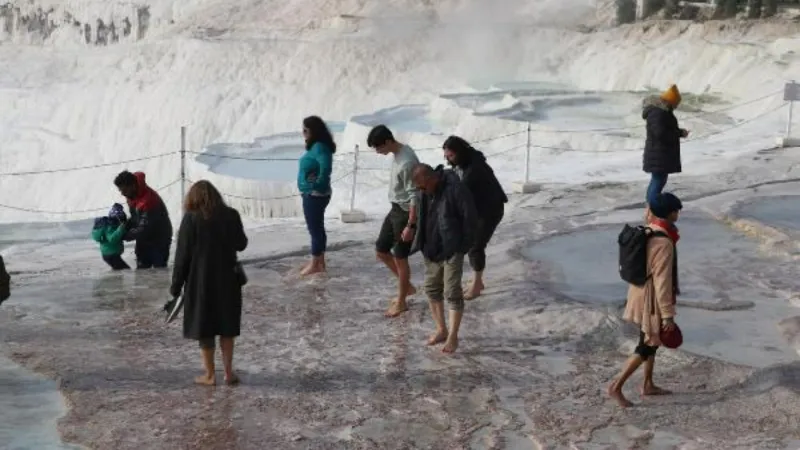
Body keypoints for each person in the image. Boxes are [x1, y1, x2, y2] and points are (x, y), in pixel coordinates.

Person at [608, 192, 683, 408]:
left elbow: (649, 209)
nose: (678, 214)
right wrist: (667, 315)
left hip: (638, 291)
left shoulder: (649, 229)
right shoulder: (664, 243)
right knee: (647, 346)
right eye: (676, 210)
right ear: (671, 213)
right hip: (652, 299)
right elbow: (662, 281)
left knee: (651, 339)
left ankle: (648, 384)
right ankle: (616, 386)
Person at [170, 180, 248, 386]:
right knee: (227, 326)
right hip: (229, 280)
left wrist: (176, 286)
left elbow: (182, 256)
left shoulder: (191, 219)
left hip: (200, 281)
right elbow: (242, 244)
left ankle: (210, 375)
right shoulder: (231, 215)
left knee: (205, 327)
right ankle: (229, 373)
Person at [410, 163, 478, 354]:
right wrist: (419, 239)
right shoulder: (425, 191)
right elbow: (423, 217)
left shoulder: (456, 189)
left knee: (452, 291)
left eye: (422, 187)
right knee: (432, 289)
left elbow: (471, 220)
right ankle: (441, 329)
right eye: (419, 189)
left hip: (452, 249)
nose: (421, 191)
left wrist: (462, 248)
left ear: (432, 179)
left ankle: (453, 336)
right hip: (431, 249)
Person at [443, 135, 508, 299]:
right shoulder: (465, 160)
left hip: (490, 210)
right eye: (446, 156)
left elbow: (460, 193)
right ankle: (477, 280)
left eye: (451, 156)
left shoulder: (474, 169)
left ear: (460, 152)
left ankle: (477, 284)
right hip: (478, 208)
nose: (448, 160)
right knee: (473, 244)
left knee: (475, 246)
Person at [367, 125, 420, 318]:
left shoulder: (407, 161)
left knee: (400, 257)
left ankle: (402, 302)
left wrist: (411, 224)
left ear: (388, 142)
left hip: (406, 213)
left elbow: (415, 195)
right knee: (381, 250)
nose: (377, 151)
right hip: (395, 208)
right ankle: (408, 288)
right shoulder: (399, 152)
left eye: (378, 147)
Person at [297, 116, 335, 276]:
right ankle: (320, 262)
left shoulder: (319, 147)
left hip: (315, 195)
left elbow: (325, 169)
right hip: (314, 194)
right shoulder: (318, 146)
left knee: (315, 230)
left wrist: (314, 186)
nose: (303, 133)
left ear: (313, 131)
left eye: (305, 130)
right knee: (318, 228)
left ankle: (315, 264)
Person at [642, 84, 689, 214]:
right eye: (676, 104)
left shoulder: (660, 111)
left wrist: (679, 132)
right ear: (671, 101)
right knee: (658, 181)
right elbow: (660, 133)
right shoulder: (659, 113)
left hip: (659, 153)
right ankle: (653, 209)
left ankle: (651, 209)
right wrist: (679, 133)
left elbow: (664, 130)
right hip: (659, 154)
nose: (676, 106)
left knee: (657, 180)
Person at [113, 171, 173, 269]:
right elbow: (135, 218)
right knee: (141, 269)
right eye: (120, 190)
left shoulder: (149, 200)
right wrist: (121, 227)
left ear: (132, 185)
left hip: (159, 239)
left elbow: (144, 228)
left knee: (159, 270)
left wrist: (122, 236)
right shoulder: (131, 195)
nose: (122, 193)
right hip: (144, 238)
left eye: (124, 190)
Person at [91, 203, 131, 270]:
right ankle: (113, 280)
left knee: (118, 270)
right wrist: (120, 229)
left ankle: (113, 279)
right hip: (111, 255)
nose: (122, 222)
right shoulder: (110, 226)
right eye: (122, 219)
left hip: (111, 254)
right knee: (126, 270)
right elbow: (112, 239)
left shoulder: (113, 225)